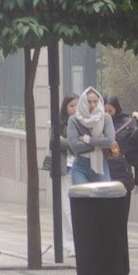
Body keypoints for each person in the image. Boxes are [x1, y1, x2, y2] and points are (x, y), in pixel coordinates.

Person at [66, 87, 113, 186]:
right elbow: (74, 146)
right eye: (89, 102)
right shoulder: (74, 120)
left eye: (95, 101)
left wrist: (87, 139)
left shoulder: (105, 117)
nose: (92, 105)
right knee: (82, 198)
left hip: (100, 165)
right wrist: (99, 143)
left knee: (104, 198)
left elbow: (109, 142)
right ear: (83, 102)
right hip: (80, 166)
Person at [56, 94, 77, 255]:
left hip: (81, 169)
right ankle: (69, 244)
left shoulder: (83, 123)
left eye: (77, 106)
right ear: (65, 108)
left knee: (78, 206)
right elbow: (56, 142)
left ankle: (78, 241)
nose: (74, 110)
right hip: (66, 169)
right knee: (66, 207)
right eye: (71, 106)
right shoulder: (59, 124)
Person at [102, 96, 136, 193]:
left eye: (110, 111)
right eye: (105, 111)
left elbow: (134, 144)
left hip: (122, 169)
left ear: (116, 109)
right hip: (104, 168)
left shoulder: (127, 124)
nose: (107, 114)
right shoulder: (97, 124)